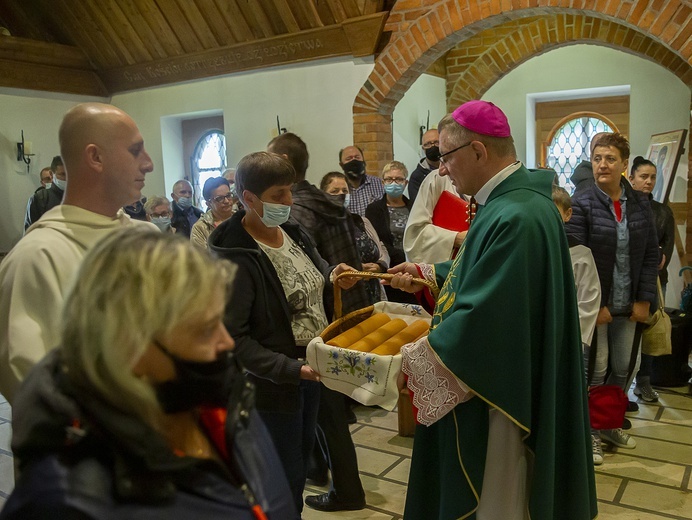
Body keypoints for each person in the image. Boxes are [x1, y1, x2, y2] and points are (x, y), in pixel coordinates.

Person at [389, 100, 597, 519]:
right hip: (508, 376)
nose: (442, 170)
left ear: (479, 151)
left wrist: (412, 358)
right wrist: (428, 272)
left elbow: (490, 315)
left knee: (498, 494)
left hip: (500, 391)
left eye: (446, 157)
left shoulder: (516, 214)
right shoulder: (511, 202)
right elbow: (483, 268)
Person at [0, 229, 296, 520]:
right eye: (205, 330)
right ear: (130, 345)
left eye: (221, 321)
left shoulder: (219, 397)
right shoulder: (67, 503)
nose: (227, 342)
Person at [208, 151, 357, 515]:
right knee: (281, 478)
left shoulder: (291, 231)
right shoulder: (234, 255)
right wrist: (291, 369)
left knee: (301, 464)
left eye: (289, 192)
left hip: (311, 369)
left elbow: (317, 270)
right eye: (279, 196)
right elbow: (235, 338)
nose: (289, 202)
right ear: (248, 199)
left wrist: (335, 273)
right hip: (272, 385)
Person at [0, 102, 156, 404]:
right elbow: (35, 391)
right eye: (136, 151)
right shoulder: (37, 257)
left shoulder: (148, 238)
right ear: (95, 157)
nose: (148, 163)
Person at [566, 133, 659, 453]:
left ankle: (610, 425)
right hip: (597, 307)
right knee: (596, 367)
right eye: (596, 158)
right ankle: (589, 431)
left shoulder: (639, 204)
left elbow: (650, 254)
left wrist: (645, 300)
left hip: (630, 304)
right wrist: (597, 305)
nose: (602, 165)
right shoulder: (582, 201)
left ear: (623, 165)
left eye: (609, 159)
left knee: (625, 367)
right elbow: (577, 258)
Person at [268, 132, 372, 314]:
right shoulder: (331, 202)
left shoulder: (293, 212)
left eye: (269, 159)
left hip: (323, 311)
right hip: (352, 302)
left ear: (283, 160)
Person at [553, 186, 603, 465]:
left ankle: (576, 445)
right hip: (542, 338)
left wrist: (576, 339)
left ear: (568, 214)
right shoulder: (535, 246)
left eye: (556, 212)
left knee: (572, 391)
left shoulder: (581, 253)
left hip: (571, 339)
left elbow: (588, 301)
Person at [629, 156, 675, 403]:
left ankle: (644, 381)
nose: (648, 182)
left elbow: (668, 242)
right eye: (643, 177)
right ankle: (622, 383)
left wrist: (663, 255)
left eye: (652, 177)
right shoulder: (626, 206)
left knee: (651, 328)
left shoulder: (662, 211)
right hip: (630, 281)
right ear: (632, 178)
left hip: (656, 280)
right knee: (627, 332)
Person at [321, 171, 388, 303]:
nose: (341, 194)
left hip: (373, 293)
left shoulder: (361, 221)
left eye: (345, 191)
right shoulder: (319, 226)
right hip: (343, 296)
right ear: (323, 195)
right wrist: (355, 268)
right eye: (335, 191)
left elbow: (382, 248)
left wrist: (380, 266)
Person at [365, 161, 417, 303]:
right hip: (389, 270)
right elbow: (378, 241)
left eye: (399, 179)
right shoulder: (374, 209)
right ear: (383, 183)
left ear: (405, 183)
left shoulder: (415, 207)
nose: (394, 183)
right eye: (389, 179)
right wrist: (402, 257)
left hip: (413, 269)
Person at [403, 169, 467, 263]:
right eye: (443, 159)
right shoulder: (438, 179)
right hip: (447, 268)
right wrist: (455, 238)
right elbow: (415, 237)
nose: (442, 168)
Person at [338, 145, 384, 216]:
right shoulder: (338, 188)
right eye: (349, 158)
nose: (354, 160)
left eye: (357, 157)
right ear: (341, 165)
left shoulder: (379, 183)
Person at [24, 155, 66, 230]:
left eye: (70, 174)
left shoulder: (80, 198)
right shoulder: (39, 199)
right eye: (63, 174)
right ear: (51, 174)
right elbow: (30, 232)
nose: (67, 179)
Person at [191, 177, 234, 249]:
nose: (226, 201)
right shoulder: (200, 227)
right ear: (209, 204)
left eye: (228, 195)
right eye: (219, 198)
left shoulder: (242, 219)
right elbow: (200, 257)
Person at [408, 128, 441, 204]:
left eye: (436, 142)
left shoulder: (453, 169)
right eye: (428, 144)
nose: (432, 146)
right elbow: (418, 205)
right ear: (423, 148)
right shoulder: (416, 177)